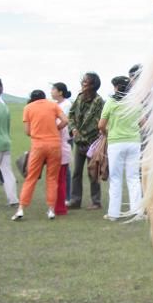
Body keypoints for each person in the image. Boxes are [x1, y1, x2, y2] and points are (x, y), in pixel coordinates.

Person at [11, 90, 68, 221]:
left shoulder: (28, 108)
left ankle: (21, 208)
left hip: (38, 145)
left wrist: (37, 132)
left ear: (32, 98)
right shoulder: (53, 105)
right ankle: (51, 210)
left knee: (31, 177)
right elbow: (65, 120)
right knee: (52, 178)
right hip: (54, 144)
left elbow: (27, 131)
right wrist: (56, 129)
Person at [98, 76, 142, 221]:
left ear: (116, 87)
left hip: (116, 142)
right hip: (134, 142)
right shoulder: (135, 101)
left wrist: (106, 133)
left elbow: (101, 125)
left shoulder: (111, 102)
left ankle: (114, 213)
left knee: (116, 178)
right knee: (133, 177)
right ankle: (137, 211)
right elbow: (143, 122)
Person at [68, 73, 105, 209]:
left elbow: (102, 120)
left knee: (93, 172)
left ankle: (96, 201)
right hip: (79, 142)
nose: (83, 84)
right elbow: (71, 115)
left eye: (86, 82)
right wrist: (73, 129)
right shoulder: (78, 99)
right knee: (76, 172)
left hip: (93, 142)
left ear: (93, 85)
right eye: (83, 81)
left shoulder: (99, 102)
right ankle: (75, 200)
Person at [51, 82, 73, 204]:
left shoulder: (66, 104)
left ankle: (67, 197)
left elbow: (64, 120)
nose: (51, 91)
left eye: (54, 89)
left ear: (60, 92)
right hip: (55, 138)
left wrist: (54, 129)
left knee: (65, 168)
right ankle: (58, 195)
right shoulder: (55, 104)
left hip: (65, 137)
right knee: (58, 168)